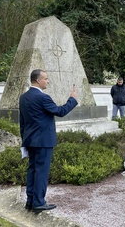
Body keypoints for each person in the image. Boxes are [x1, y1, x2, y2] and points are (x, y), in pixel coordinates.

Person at [19, 69, 78, 212]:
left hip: (30, 140)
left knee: (32, 170)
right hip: (44, 141)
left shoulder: (23, 97)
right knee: (41, 172)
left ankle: (30, 201)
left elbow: (22, 121)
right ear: (38, 80)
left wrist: (24, 141)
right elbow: (60, 111)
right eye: (46, 78)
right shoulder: (43, 98)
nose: (48, 81)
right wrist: (72, 99)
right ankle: (38, 202)